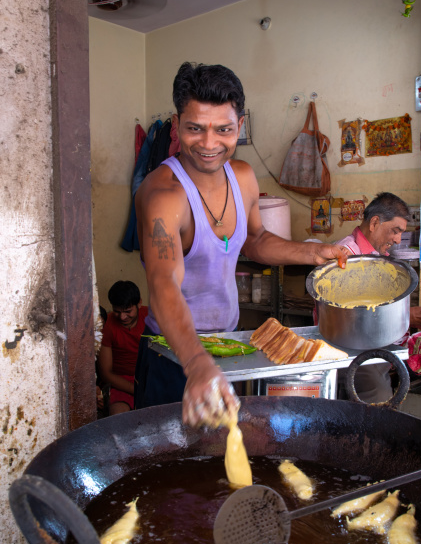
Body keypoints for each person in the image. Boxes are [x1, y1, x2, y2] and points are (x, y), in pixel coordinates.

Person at [134, 61, 349, 427]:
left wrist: (312, 252)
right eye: (195, 129)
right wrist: (198, 363)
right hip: (173, 355)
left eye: (223, 130)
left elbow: (255, 240)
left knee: (222, 464)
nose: (209, 144)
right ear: (176, 125)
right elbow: (162, 284)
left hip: (230, 346)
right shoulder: (163, 195)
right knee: (169, 473)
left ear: (240, 126)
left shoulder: (243, 177)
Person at [335, 192, 421, 402]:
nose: (398, 239)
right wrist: (405, 316)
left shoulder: (377, 257)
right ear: (375, 223)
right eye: (395, 231)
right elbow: (349, 313)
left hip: (375, 346)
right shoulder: (347, 254)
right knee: (379, 404)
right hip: (353, 351)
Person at [98, 281, 148, 415]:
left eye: (128, 311)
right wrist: (136, 390)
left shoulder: (150, 317)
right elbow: (106, 373)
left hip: (148, 378)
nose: (122, 317)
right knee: (119, 420)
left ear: (139, 304)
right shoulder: (107, 325)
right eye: (117, 311)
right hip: (121, 383)